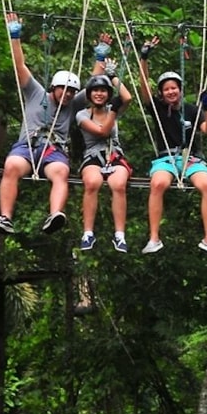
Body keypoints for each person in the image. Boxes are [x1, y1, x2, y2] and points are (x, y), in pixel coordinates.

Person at [0, 13, 81, 236]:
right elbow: (19, 65)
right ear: (53, 88)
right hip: (27, 147)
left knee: (61, 172)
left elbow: (97, 89)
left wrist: (100, 60)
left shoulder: (73, 104)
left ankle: (55, 214)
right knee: (11, 166)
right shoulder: (36, 93)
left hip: (54, 151)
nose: (68, 95)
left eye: (71, 91)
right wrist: (15, 35)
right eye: (64, 90)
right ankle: (6, 218)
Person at [136, 37, 207, 255]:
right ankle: (154, 238)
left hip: (191, 158)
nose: (171, 92)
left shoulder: (192, 110)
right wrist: (144, 58)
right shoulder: (157, 108)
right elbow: (143, 87)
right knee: (157, 184)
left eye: (174, 88)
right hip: (166, 159)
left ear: (180, 90)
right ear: (162, 93)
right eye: (166, 89)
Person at [76, 34, 134, 253]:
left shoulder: (112, 109)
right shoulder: (82, 114)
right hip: (93, 155)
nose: (99, 94)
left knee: (118, 185)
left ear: (108, 94)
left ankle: (119, 234)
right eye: (95, 91)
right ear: (89, 95)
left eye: (103, 91)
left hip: (114, 155)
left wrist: (114, 77)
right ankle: (88, 233)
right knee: (92, 183)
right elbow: (102, 131)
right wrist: (115, 111)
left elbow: (127, 98)